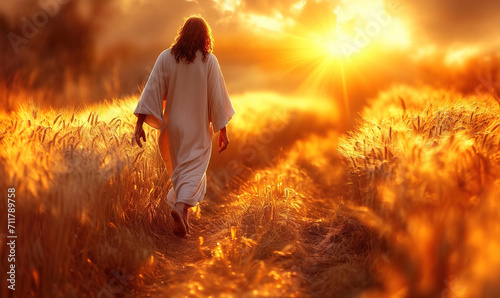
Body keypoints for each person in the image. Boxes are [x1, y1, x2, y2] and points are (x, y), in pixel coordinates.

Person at [133, 15, 235, 238]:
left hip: (173, 127)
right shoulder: (209, 61)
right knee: (195, 172)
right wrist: (223, 130)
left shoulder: (166, 58)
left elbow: (152, 90)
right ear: (205, 37)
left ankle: (183, 222)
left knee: (182, 172)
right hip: (198, 127)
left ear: (182, 33)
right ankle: (179, 208)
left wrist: (139, 123)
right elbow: (217, 99)